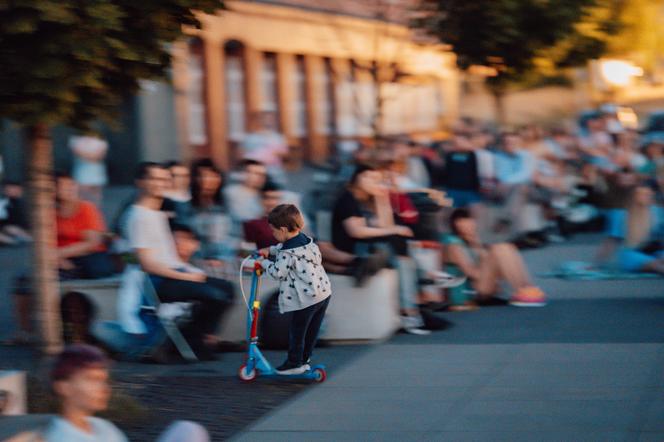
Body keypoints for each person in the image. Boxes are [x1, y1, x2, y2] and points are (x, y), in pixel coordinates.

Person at [124, 162, 234, 360]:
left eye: (164, 179)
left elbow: (169, 256)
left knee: (227, 289)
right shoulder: (138, 216)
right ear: (141, 182)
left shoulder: (157, 214)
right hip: (157, 282)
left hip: (175, 274)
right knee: (215, 295)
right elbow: (147, 265)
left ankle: (192, 340)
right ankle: (186, 344)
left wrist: (190, 271)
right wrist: (188, 276)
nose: (161, 183)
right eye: (155, 178)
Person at [7, 172, 115, 345]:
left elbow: (91, 243)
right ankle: (24, 331)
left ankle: (56, 330)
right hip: (59, 261)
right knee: (22, 280)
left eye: (71, 185)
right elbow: (43, 242)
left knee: (50, 280)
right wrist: (54, 258)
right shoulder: (49, 212)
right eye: (63, 186)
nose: (69, 189)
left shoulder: (86, 208)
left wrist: (59, 254)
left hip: (87, 260)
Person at [331, 164, 431, 334]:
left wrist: (382, 199)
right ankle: (421, 286)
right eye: (369, 178)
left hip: (371, 246)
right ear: (357, 179)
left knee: (400, 250)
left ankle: (410, 311)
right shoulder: (347, 198)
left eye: (377, 179)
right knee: (398, 244)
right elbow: (357, 231)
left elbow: (386, 225)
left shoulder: (367, 199)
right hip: (354, 249)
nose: (374, 182)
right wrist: (393, 230)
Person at [40, 344, 210, 442]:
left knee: (188, 429)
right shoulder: (60, 437)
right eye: (92, 379)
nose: (104, 388)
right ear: (64, 387)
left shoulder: (101, 426)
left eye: (103, 380)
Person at [257, 204, 331, 374]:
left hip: (307, 299)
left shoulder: (287, 253)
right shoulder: (306, 241)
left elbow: (278, 273)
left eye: (274, 231)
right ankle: (304, 360)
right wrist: (270, 250)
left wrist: (263, 263)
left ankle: (294, 364)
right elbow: (284, 248)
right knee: (312, 330)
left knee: (297, 331)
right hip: (323, 293)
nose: (273, 235)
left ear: (283, 229)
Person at [444, 208, 547, 308]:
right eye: (464, 222)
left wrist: (477, 245)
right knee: (498, 249)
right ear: (457, 224)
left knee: (507, 247)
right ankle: (523, 290)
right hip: (468, 293)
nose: (470, 225)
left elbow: (485, 264)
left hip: (481, 287)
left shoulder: (473, 242)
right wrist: (495, 272)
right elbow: (472, 274)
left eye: (471, 221)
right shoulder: (453, 245)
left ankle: (527, 288)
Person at [187, 159, 235, 260]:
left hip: (225, 261)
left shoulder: (227, 206)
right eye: (203, 176)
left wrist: (221, 258)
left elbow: (235, 237)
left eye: (213, 176)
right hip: (197, 261)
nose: (208, 181)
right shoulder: (186, 207)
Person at [616, 185, 664, 274]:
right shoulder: (624, 215)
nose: (647, 197)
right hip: (634, 253)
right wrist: (598, 263)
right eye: (643, 194)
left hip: (655, 250)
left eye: (649, 194)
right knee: (654, 264)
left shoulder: (657, 212)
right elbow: (612, 240)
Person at [241, 111, 289, 185]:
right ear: (259, 120)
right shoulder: (250, 138)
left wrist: (276, 153)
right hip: (255, 176)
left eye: (271, 119)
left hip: (275, 174)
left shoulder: (278, 137)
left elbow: (285, 155)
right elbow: (242, 155)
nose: (268, 121)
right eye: (265, 118)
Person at [224, 159, 268, 229]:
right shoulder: (232, 192)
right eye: (257, 174)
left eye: (263, 175)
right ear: (244, 174)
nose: (261, 177)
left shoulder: (262, 194)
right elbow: (245, 217)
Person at [69, 131, 108, 206]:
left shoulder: (100, 141)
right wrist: (92, 155)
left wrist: (87, 155)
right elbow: (78, 152)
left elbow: (101, 155)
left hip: (96, 171)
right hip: (82, 173)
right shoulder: (76, 139)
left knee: (96, 196)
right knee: (82, 195)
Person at [0, 180, 31, 245]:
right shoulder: (4, 202)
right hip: (8, 228)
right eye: (8, 189)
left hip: (19, 229)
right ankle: (13, 241)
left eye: (14, 188)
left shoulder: (25, 203)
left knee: (11, 229)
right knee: (9, 228)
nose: (11, 191)